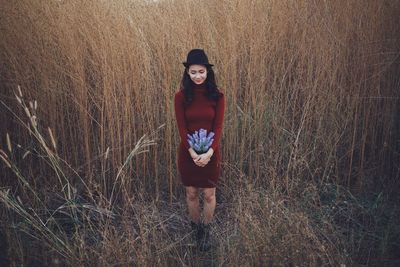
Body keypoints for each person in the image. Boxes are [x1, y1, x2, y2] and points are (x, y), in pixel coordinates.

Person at [174, 49, 225, 251]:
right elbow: (182, 128)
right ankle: (196, 231)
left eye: (201, 71)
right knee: (192, 193)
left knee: (209, 195)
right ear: (187, 73)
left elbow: (218, 127)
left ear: (208, 72)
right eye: (193, 72)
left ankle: (206, 230)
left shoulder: (218, 96)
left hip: (211, 153)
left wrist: (210, 152)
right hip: (188, 153)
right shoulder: (180, 97)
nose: (197, 76)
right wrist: (193, 152)